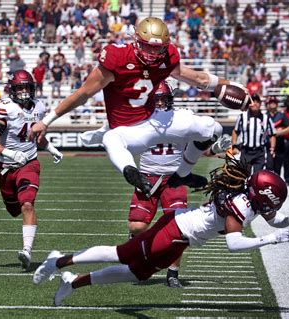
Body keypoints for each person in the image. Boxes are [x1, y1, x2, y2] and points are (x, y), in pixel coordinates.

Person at [32, 158, 289, 306]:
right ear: (262, 195)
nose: (275, 207)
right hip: (176, 228)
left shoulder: (253, 200)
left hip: (182, 239)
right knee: (123, 254)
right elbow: (233, 244)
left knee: (136, 272)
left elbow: (274, 219)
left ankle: (72, 282)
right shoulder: (242, 204)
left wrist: (288, 221)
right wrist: (270, 240)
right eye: (274, 201)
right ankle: (58, 260)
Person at [29, 17, 247, 197]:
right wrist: (46, 121)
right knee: (111, 139)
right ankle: (132, 173)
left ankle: (182, 174)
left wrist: (229, 86)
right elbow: (84, 93)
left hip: (154, 118)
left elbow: (196, 78)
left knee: (213, 128)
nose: (152, 54)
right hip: (128, 130)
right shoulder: (117, 57)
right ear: (136, 40)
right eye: (147, 47)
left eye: (158, 49)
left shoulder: (168, 55)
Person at [81, 81, 232, 288]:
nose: (160, 104)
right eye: (156, 99)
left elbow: (200, 144)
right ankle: (142, 247)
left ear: (170, 100)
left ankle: (173, 273)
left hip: (174, 178)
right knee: (137, 226)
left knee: (180, 230)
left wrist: (214, 147)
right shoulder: (140, 118)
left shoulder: (182, 118)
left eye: (163, 99)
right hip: (147, 177)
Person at [0, 70, 64, 271]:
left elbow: (37, 136)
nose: (25, 91)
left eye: (27, 87)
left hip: (29, 164)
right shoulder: (5, 109)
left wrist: (50, 148)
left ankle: (26, 250)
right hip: (6, 168)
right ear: (12, 89)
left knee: (27, 204)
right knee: (13, 210)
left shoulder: (39, 107)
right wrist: (11, 154)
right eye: (20, 88)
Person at [231, 94, 276, 173]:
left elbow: (272, 134)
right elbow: (235, 131)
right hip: (246, 151)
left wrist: (272, 148)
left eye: (257, 102)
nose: (255, 103)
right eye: (252, 101)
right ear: (249, 104)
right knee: (243, 175)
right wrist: (234, 146)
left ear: (260, 104)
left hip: (260, 152)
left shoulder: (266, 118)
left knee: (258, 176)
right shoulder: (242, 117)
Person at [266, 96, 289, 175]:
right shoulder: (264, 116)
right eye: (271, 102)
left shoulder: (282, 116)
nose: (273, 104)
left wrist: (278, 133)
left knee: (278, 168)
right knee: (269, 167)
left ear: (277, 104)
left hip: (280, 146)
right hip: (268, 146)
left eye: (275, 102)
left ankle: (277, 185)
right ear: (267, 104)